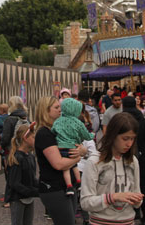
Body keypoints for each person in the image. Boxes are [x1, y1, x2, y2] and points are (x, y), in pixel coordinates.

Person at [81, 112, 144, 225]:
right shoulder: (94, 161)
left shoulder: (133, 161)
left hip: (128, 221)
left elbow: (137, 196)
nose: (129, 144)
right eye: (125, 138)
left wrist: (137, 199)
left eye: (132, 139)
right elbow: (85, 202)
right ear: (113, 135)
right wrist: (113, 197)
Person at [34, 96, 86, 225]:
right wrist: (78, 157)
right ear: (45, 111)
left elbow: (79, 146)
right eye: (56, 107)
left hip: (66, 186)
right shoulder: (44, 133)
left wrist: (82, 150)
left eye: (60, 107)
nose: (60, 110)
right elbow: (58, 164)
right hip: (54, 188)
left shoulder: (58, 129)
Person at [51, 98, 95, 195]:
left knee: (66, 169)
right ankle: (79, 183)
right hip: (73, 147)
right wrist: (92, 135)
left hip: (61, 147)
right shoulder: (77, 122)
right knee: (75, 166)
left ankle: (69, 186)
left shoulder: (58, 121)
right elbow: (85, 134)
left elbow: (53, 130)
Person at [122, 96, 145, 225]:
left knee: (125, 185)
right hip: (141, 157)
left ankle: (132, 213)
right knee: (142, 186)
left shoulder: (122, 120)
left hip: (124, 156)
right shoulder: (143, 120)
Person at [6, 123, 39, 225]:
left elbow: (32, 178)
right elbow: (14, 183)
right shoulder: (17, 158)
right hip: (18, 198)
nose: (35, 140)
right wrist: (34, 192)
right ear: (25, 138)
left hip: (28, 198)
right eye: (33, 137)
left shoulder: (31, 157)